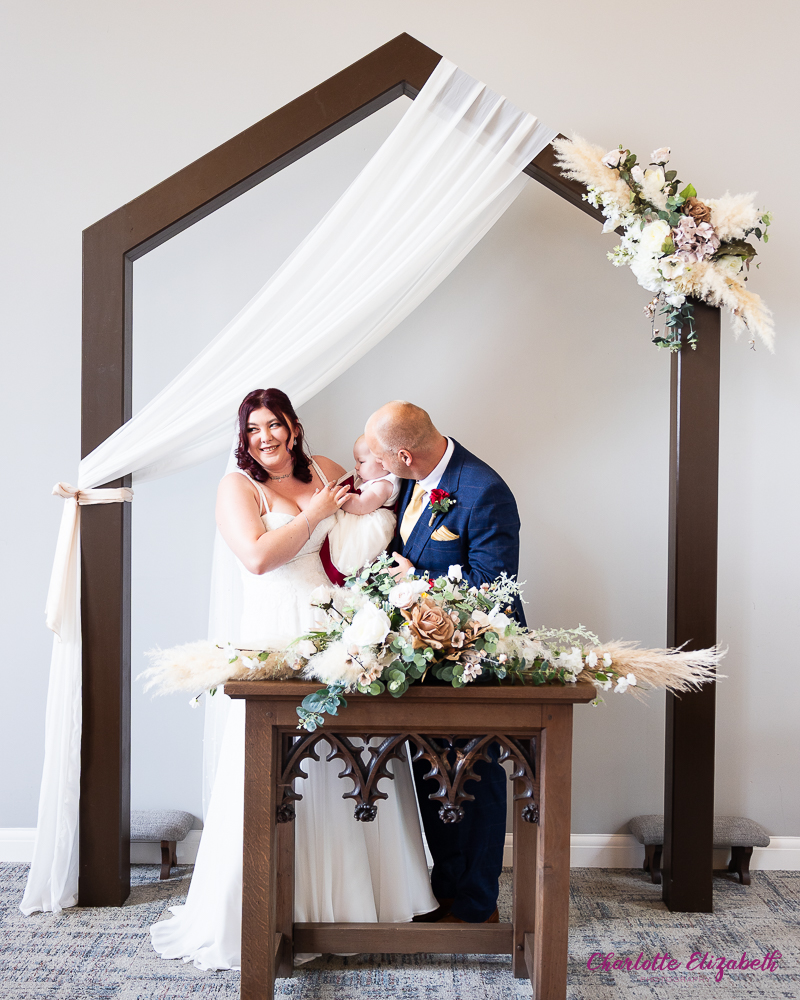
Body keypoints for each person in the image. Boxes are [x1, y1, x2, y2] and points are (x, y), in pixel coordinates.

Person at [150, 389, 436, 970]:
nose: (265, 437)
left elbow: (365, 524)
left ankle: (368, 909)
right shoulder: (239, 487)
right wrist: (313, 513)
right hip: (277, 634)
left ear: (294, 426)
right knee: (277, 769)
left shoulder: (329, 469)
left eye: (274, 424)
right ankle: (267, 910)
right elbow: (258, 558)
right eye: (254, 429)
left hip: (341, 629)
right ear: (244, 437)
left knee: (353, 762)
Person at [364, 400, 524, 925]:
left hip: (473, 659)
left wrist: (413, 582)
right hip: (423, 660)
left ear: (405, 454)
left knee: (474, 779)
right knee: (433, 775)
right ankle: (446, 890)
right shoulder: (412, 479)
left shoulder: (484, 490)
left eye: (385, 461)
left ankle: (479, 905)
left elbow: (494, 593)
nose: (382, 468)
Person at [327, 434, 400, 576]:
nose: (356, 467)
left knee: (357, 550)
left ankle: (356, 572)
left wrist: (338, 498)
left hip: (374, 523)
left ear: (381, 462)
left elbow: (361, 506)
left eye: (361, 462)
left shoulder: (383, 485)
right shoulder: (377, 478)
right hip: (367, 515)